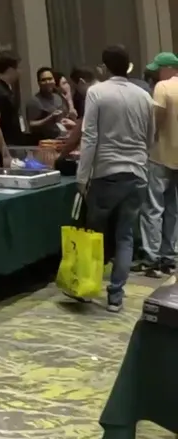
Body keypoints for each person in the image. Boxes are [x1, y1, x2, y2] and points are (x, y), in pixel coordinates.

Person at [79, 45, 155, 312]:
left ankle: (86, 288)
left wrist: (82, 176)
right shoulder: (144, 96)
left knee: (95, 234)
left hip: (106, 174)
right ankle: (115, 297)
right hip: (137, 174)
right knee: (125, 236)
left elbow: (89, 136)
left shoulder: (96, 92)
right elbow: (150, 137)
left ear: (104, 67)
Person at [142, 52, 178, 276]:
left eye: (159, 69)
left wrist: (148, 142)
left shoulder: (163, 87)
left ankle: (152, 257)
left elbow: (157, 118)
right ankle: (170, 254)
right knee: (174, 208)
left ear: (168, 68)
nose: (156, 74)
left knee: (153, 208)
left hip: (160, 155)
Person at [0, 52, 24, 166]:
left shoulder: (6, 87)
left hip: (13, 143)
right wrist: (5, 154)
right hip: (3, 149)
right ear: (10, 70)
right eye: (18, 68)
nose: (20, 72)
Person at [27, 66, 72, 141]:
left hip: (61, 139)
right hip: (44, 142)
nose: (47, 82)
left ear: (54, 80)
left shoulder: (58, 97)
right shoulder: (34, 101)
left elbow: (65, 117)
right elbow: (31, 124)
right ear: (39, 83)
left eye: (50, 79)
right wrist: (50, 117)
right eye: (43, 80)